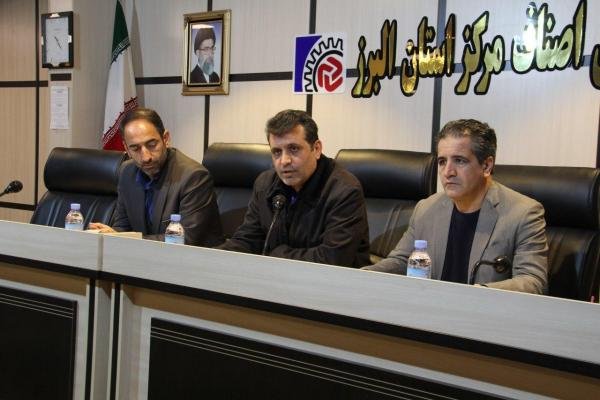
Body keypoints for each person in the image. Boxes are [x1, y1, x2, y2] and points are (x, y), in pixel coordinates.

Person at [364, 119, 548, 294]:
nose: (448, 172)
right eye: (442, 161)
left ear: (486, 166)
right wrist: (360, 276)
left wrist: (476, 294)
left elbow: (533, 281)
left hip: (482, 312)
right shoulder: (426, 208)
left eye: (459, 161)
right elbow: (401, 261)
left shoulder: (523, 213)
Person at [217, 109, 370, 268]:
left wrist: (275, 255)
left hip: (333, 281)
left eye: (294, 149)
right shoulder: (265, 184)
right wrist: (211, 258)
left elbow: (332, 259)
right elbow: (249, 239)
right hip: (275, 276)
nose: (284, 161)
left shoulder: (344, 191)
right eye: (277, 152)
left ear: (316, 149)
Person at [89, 107, 223, 247]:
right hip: (144, 255)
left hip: (191, 257)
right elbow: (123, 226)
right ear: (126, 148)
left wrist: (123, 238)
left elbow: (186, 239)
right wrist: (109, 234)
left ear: (165, 139)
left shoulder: (194, 177)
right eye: (135, 148)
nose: (146, 157)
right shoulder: (127, 172)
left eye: (152, 145)